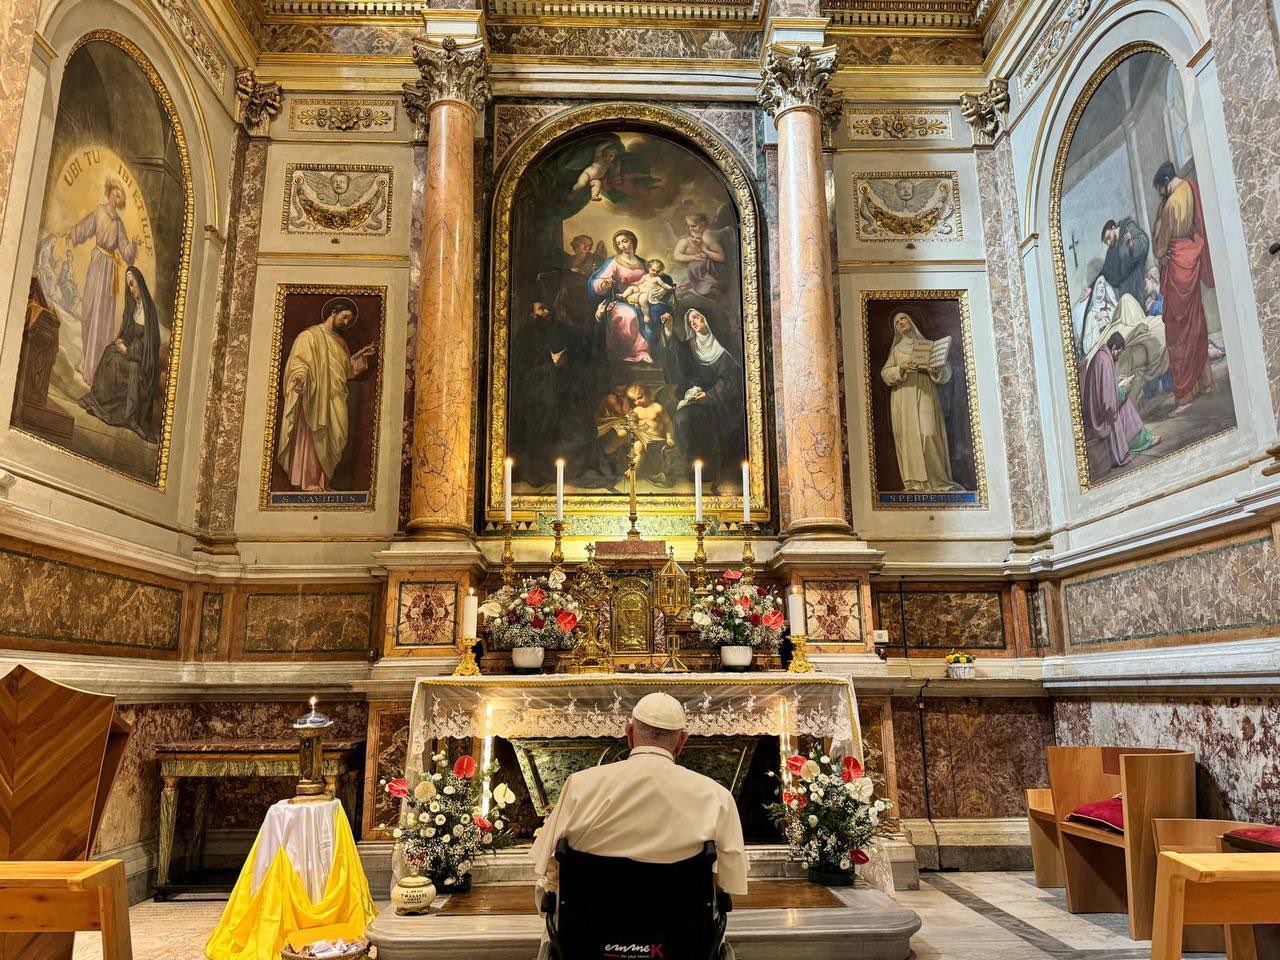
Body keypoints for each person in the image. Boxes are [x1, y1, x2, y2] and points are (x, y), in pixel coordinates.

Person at [532, 692, 748, 918]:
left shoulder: (579, 786)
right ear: (682, 740)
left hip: (591, 932)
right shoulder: (717, 797)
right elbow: (730, 879)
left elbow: (546, 863)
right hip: (682, 935)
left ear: (629, 733)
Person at [275, 296, 376, 492]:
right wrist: (301, 377)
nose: (346, 322)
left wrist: (361, 357)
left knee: (336, 436)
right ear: (333, 313)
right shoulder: (309, 336)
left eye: (349, 319)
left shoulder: (341, 343)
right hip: (314, 396)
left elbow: (345, 372)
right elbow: (299, 363)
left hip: (336, 397)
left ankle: (325, 482)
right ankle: (311, 482)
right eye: (344, 317)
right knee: (314, 435)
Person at [1151, 160, 1216, 415]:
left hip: (1178, 264)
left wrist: (1161, 250)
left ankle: (1185, 394)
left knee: (1177, 333)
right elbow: (1198, 224)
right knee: (1196, 322)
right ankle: (1204, 381)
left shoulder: (1170, 206)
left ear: (1166, 183)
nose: (1160, 193)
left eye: (1160, 188)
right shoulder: (1190, 188)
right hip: (1191, 257)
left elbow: (1161, 243)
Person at [64, 179, 141, 384]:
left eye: (120, 197)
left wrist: (132, 245)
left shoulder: (119, 224)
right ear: (110, 193)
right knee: (89, 311)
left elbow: (125, 251)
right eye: (116, 194)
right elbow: (85, 227)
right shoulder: (99, 212)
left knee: (103, 318)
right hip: (97, 263)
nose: (118, 199)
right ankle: (86, 363)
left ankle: (95, 368)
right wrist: (71, 235)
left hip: (109, 271)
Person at [879, 311, 961, 493]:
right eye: (897, 322)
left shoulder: (928, 346)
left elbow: (946, 374)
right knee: (910, 439)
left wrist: (935, 370)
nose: (900, 322)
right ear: (896, 329)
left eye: (903, 318)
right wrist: (902, 367)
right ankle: (915, 484)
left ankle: (938, 482)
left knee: (928, 434)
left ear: (911, 321)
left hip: (925, 393)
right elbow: (885, 374)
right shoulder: (896, 350)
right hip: (904, 397)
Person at [78, 266, 161, 442]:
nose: (131, 290)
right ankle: (101, 402)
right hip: (131, 351)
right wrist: (122, 341)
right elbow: (128, 332)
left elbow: (149, 348)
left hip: (143, 363)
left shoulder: (149, 311)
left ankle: (126, 415)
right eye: (128, 286)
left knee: (125, 365)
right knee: (110, 353)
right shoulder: (133, 307)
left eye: (133, 285)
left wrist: (129, 351)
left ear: (139, 283)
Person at [666, 308, 744, 493]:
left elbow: (732, 380)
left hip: (721, 402)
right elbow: (676, 368)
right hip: (694, 397)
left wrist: (709, 397)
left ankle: (715, 469)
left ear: (707, 319)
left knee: (720, 424)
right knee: (683, 418)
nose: (692, 322)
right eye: (689, 319)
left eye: (696, 317)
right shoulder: (689, 345)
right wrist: (670, 332)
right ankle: (696, 468)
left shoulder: (723, 348)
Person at [1083, 332, 1160, 475]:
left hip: (1096, 411)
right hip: (1099, 419)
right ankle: (1143, 441)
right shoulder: (1105, 361)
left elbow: (1104, 389)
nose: (1119, 355)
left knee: (1124, 401)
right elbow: (1109, 405)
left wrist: (1117, 381)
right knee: (1126, 405)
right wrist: (1124, 388)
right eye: (1119, 352)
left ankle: (1145, 439)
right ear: (1114, 348)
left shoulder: (1102, 356)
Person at [589, 230, 656, 364]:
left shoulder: (643, 262)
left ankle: (645, 352)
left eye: (625, 241)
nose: (622, 246)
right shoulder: (614, 262)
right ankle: (628, 354)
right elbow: (597, 281)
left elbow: (656, 277)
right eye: (618, 243)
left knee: (658, 312)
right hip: (620, 299)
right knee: (627, 315)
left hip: (643, 298)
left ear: (633, 241)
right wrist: (604, 284)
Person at [1098, 217, 1150, 306]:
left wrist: (1131, 245)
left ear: (1113, 228)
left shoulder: (1129, 227)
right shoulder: (1111, 250)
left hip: (1137, 284)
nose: (1109, 243)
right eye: (1106, 242)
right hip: (1124, 292)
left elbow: (1144, 241)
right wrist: (1091, 288)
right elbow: (1105, 272)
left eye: (1108, 238)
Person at [673, 213, 727, 297]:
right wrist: (694, 257)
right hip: (687, 271)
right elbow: (676, 256)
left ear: (701, 224)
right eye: (689, 226)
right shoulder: (685, 240)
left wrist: (705, 251)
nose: (691, 229)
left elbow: (721, 257)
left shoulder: (706, 237)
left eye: (693, 226)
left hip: (704, 272)